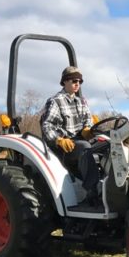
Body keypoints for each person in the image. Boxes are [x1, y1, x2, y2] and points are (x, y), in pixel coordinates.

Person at [41, 66, 102, 203]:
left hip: (79, 141)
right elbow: (47, 125)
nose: (77, 84)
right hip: (63, 146)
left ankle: (109, 187)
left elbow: (88, 120)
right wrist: (58, 140)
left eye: (80, 81)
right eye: (74, 81)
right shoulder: (56, 101)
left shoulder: (82, 102)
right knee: (85, 147)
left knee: (106, 145)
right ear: (65, 81)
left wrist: (88, 129)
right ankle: (92, 193)